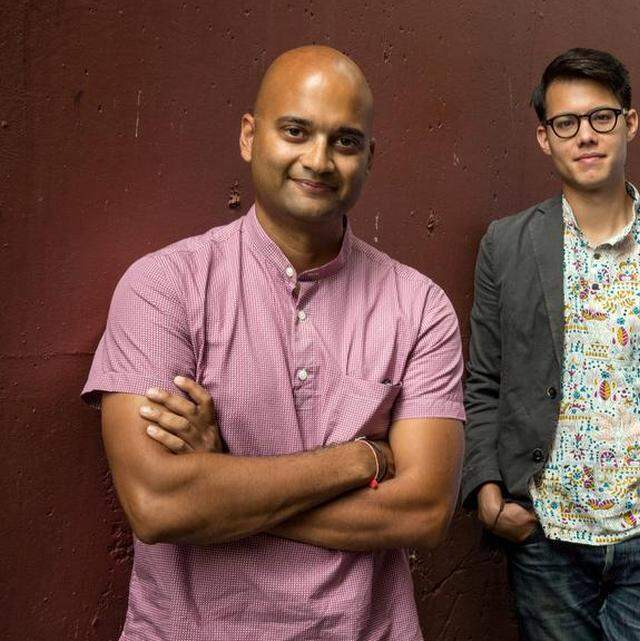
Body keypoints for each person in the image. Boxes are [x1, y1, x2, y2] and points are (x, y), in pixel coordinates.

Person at [81, 45, 465, 641]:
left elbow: (424, 512)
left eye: (345, 141)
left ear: (369, 157)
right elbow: (158, 505)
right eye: (295, 131)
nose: (318, 160)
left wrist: (220, 480)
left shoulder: (419, 307)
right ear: (249, 136)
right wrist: (360, 460)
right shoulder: (164, 286)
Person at [461, 48, 640, 641]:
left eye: (601, 117)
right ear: (544, 138)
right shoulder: (506, 246)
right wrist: (488, 494)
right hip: (543, 534)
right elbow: (484, 381)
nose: (585, 135)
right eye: (565, 122)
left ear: (630, 123)